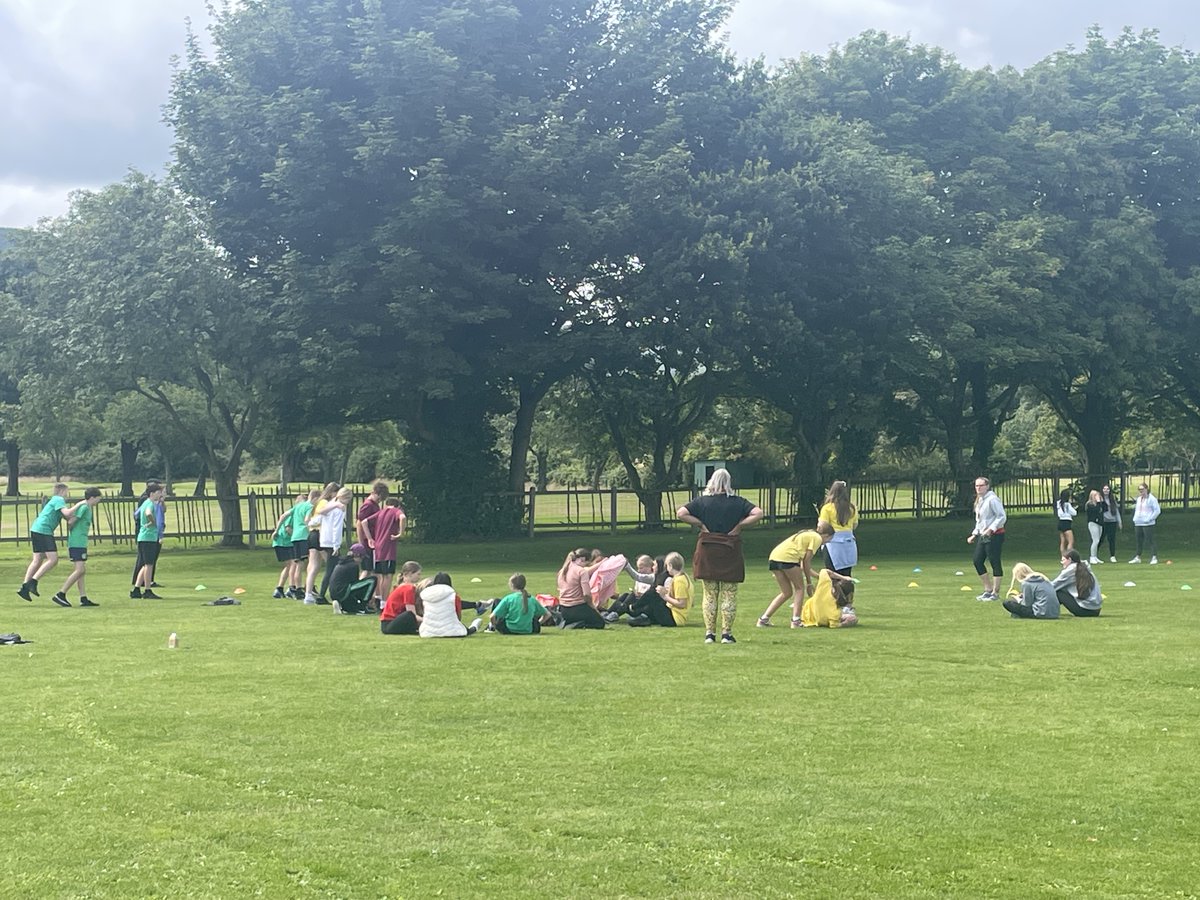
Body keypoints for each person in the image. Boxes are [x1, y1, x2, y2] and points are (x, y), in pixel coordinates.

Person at [677, 467, 764, 645]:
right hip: (730, 549)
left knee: (710, 594)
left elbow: (681, 513)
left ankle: (709, 634)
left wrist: (700, 523)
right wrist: (739, 526)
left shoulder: (702, 502)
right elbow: (758, 513)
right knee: (729, 594)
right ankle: (726, 634)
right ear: (728, 482)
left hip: (707, 549)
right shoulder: (738, 502)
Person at [757, 522, 832, 629]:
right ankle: (796, 621)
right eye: (829, 539)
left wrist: (820, 577)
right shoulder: (817, 538)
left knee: (786, 593)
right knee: (800, 589)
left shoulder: (808, 534)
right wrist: (809, 583)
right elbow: (806, 563)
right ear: (826, 535)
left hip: (774, 558)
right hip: (788, 559)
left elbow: (803, 566)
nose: (827, 542)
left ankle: (763, 620)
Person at [18, 482, 71, 602]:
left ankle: (24, 588)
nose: (67, 495)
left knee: (38, 559)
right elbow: (67, 514)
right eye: (66, 492)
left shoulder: (54, 501)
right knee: (53, 559)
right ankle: (32, 582)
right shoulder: (58, 499)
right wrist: (80, 505)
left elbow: (67, 518)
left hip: (36, 528)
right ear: (62, 491)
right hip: (44, 530)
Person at [52, 487, 103, 608]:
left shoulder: (87, 507)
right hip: (77, 542)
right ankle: (61, 593)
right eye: (98, 499)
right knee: (80, 570)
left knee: (81, 572)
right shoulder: (84, 507)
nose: (98, 502)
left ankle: (83, 597)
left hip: (80, 541)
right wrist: (74, 532)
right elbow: (71, 521)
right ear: (92, 498)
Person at [304, 485, 348, 604]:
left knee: (316, 566)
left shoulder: (323, 503)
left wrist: (310, 523)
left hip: (317, 536)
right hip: (322, 537)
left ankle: (309, 592)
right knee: (329, 567)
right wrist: (336, 545)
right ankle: (319, 594)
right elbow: (335, 527)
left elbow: (316, 517)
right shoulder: (327, 504)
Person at [361, 496, 406, 611]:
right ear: (398, 505)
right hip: (388, 548)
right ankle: (384, 603)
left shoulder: (380, 513)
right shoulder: (396, 511)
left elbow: (364, 522)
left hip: (378, 548)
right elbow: (402, 517)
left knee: (380, 575)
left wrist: (370, 538)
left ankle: (378, 598)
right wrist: (400, 533)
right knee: (388, 576)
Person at [966, 476, 1006, 601]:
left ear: (987, 486)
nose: (978, 488)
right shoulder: (980, 500)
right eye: (976, 486)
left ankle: (995, 593)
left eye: (981, 485)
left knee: (994, 561)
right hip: (984, 535)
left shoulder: (993, 499)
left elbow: (1001, 516)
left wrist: (991, 529)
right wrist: (975, 533)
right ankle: (988, 589)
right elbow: (980, 520)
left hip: (995, 534)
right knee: (977, 561)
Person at [417, 572, 483, 638]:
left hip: (427, 632)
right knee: (468, 629)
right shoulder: (453, 595)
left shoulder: (426, 596)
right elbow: (458, 615)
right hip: (452, 631)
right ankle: (476, 624)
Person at [554, 548, 606, 629]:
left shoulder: (562, 571)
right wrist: (593, 607)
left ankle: (569, 622)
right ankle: (577, 624)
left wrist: (602, 563)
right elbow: (586, 594)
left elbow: (589, 571)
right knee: (599, 623)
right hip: (577, 607)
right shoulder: (581, 571)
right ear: (583, 559)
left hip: (564, 609)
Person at [818, 480, 858, 576]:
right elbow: (854, 525)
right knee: (847, 575)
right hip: (849, 543)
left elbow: (823, 527)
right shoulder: (852, 508)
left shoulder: (827, 508)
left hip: (833, 543)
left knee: (833, 575)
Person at [132, 485, 165, 599]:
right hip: (149, 538)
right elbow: (148, 513)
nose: (160, 494)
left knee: (145, 565)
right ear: (152, 493)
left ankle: (136, 589)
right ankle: (147, 590)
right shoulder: (150, 504)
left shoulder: (145, 502)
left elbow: (137, 514)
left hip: (143, 537)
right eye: (158, 492)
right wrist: (153, 522)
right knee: (149, 565)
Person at [602, 554, 657, 622]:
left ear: (649, 567)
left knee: (631, 596)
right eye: (638, 568)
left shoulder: (652, 578)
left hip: (642, 606)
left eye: (641, 568)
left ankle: (616, 613)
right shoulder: (641, 579)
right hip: (636, 602)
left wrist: (627, 566)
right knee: (625, 595)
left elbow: (649, 594)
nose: (639, 570)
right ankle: (609, 612)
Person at [286, 489, 319, 599]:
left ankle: (296, 587)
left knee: (297, 563)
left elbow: (285, 515)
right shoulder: (310, 507)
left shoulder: (298, 506)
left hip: (295, 536)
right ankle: (304, 587)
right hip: (303, 535)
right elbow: (307, 520)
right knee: (304, 564)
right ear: (314, 498)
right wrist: (311, 526)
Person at [329, 543, 378, 615]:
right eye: (362, 557)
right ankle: (362, 606)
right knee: (372, 580)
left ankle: (342, 605)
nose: (362, 560)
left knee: (356, 586)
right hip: (342, 591)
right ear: (358, 555)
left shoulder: (342, 563)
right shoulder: (353, 565)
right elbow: (355, 586)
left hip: (335, 592)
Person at [1052, 550, 1102, 617]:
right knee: (1062, 589)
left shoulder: (1071, 570)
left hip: (1085, 610)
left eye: (1063, 560)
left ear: (1069, 559)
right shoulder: (1084, 567)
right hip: (1096, 610)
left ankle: (1047, 611)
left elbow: (1053, 586)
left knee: (1058, 592)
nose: (1062, 563)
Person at [270, 496, 302, 598]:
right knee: (293, 563)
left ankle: (280, 588)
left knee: (290, 565)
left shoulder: (292, 513)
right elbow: (288, 528)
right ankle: (291, 587)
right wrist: (297, 537)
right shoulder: (293, 514)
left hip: (284, 542)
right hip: (284, 542)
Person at [381, 561, 423, 635]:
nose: (419, 577)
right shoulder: (408, 588)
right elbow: (412, 613)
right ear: (410, 574)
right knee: (409, 615)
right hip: (389, 623)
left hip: (389, 622)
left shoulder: (402, 586)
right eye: (418, 574)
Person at [1129, 482, 1160, 564]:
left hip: (1148, 523)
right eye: (1139, 490)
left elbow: (1157, 511)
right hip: (1138, 522)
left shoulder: (1152, 499)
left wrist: (1150, 519)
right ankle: (1138, 557)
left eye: (1142, 489)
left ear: (1146, 489)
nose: (1141, 491)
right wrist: (1135, 519)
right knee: (1139, 541)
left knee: (1150, 540)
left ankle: (1154, 557)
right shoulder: (1139, 499)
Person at [1101, 484, 1122, 563]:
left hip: (1112, 522)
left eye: (1107, 489)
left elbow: (1117, 512)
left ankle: (1112, 556)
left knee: (1112, 539)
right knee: (1100, 539)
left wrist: (1119, 521)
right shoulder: (1100, 499)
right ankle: (1094, 555)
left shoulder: (1112, 500)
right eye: (1104, 489)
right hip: (1104, 522)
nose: (1106, 490)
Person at [1084, 489, 1105, 564]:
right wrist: (1098, 502)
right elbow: (1096, 511)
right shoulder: (1090, 504)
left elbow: (1105, 509)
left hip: (1100, 523)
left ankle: (1095, 556)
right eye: (1096, 495)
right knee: (1095, 540)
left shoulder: (1099, 504)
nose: (1097, 497)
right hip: (1093, 523)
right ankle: (1092, 557)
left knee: (1098, 540)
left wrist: (1101, 501)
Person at [1055, 489, 1076, 556]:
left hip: (1060, 522)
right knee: (1071, 541)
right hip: (1067, 523)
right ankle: (1069, 556)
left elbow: (1059, 514)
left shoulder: (1058, 503)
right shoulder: (1067, 505)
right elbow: (1074, 513)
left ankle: (1063, 556)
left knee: (1063, 541)